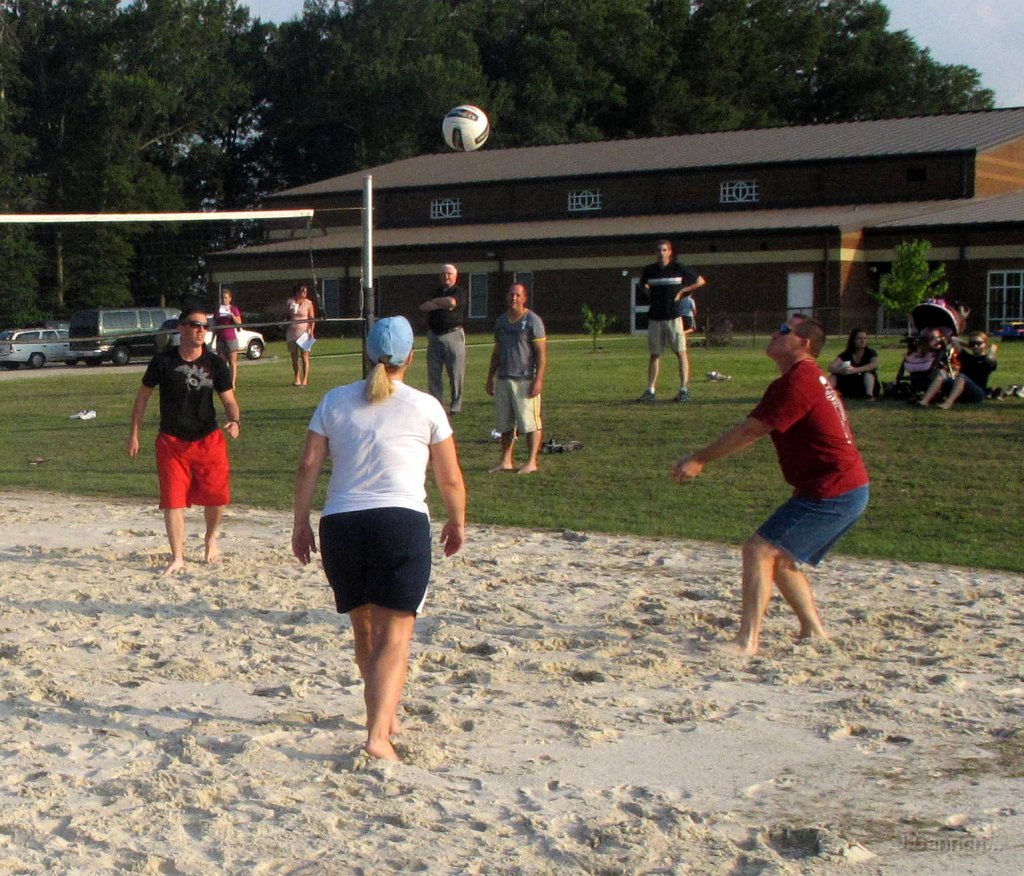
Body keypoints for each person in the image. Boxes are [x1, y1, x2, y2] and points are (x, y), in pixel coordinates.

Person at [292, 316, 466, 762]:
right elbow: (449, 477)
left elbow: (309, 465)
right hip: (399, 522)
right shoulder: (425, 406)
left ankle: (383, 716)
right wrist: (457, 520)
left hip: (342, 525)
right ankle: (376, 735)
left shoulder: (334, 400)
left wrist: (300, 522)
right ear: (411, 357)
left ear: (368, 354)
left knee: (365, 628)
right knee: (396, 634)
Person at [671, 315, 869, 656]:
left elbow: (750, 432)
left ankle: (747, 641)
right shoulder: (802, 378)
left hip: (834, 491)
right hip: (836, 488)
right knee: (779, 557)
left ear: (803, 343)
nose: (775, 334)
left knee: (759, 550)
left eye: (784, 331)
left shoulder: (800, 381)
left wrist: (699, 459)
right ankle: (813, 630)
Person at [127, 308, 241, 577]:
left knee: (217, 497)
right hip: (171, 442)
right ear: (181, 328)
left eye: (205, 326)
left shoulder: (216, 363)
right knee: (173, 500)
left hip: (208, 439)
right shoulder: (163, 361)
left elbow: (229, 400)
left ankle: (210, 538)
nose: (202, 330)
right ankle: (177, 556)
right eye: (195, 325)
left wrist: (235, 421)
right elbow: (142, 397)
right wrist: (134, 433)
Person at [485, 283, 547, 475]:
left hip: (525, 379)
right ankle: (506, 461)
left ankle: (531, 461)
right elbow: (497, 351)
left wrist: (538, 380)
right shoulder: (501, 321)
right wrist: (490, 377)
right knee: (505, 424)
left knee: (529, 423)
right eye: (511, 294)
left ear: (524, 298)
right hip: (504, 378)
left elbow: (541, 355)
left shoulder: (532, 321)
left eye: (518, 295)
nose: (514, 298)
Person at [637, 240, 705, 403]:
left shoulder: (678, 268)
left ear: (669, 252)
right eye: (659, 250)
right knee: (654, 354)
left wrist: (682, 291)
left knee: (680, 352)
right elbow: (642, 284)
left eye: (664, 250)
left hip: (673, 317)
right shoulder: (650, 270)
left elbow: (700, 281)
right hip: (655, 318)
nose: (661, 253)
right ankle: (650, 390)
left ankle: (683, 390)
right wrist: (650, 294)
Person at [418, 263, 466, 415]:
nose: (446, 276)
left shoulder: (459, 291)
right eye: (444, 274)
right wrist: (442, 303)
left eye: (449, 274)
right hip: (434, 336)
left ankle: (455, 406)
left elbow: (452, 303)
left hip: (453, 335)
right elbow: (424, 307)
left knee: (455, 373)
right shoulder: (435, 291)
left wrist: (436, 302)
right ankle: (436, 405)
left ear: (455, 276)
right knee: (433, 374)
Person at [934, 330, 998, 408]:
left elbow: (991, 359)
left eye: (978, 343)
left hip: (977, 394)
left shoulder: (986, 360)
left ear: (985, 344)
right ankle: (924, 401)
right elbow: (953, 339)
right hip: (962, 391)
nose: (975, 346)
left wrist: (992, 350)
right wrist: (971, 346)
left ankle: (948, 403)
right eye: (973, 344)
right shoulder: (967, 357)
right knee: (942, 373)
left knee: (962, 376)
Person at [827, 328, 879, 399]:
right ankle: (824, 392)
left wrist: (854, 370)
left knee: (868, 373)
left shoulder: (871, 353)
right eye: (859, 339)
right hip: (851, 384)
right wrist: (841, 371)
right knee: (834, 375)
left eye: (864, 338)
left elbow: (874, 364)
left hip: (866, 384)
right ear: (853, 340)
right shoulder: (846, 354)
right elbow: (830, 368)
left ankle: (869, 395)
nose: (862, 341)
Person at [285, 282, 316, 386]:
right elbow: (286, 315)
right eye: (302, 291)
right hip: (292, 332)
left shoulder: (308, 303)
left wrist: (311, 331)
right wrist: (290, 310)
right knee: (294, 357)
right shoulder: (290, 302)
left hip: (304, 333)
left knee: (304, 356)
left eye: (306, 291)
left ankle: (305, 379)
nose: (304, 293)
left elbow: (311, 318)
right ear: (297, 292)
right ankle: (297, 378)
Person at [213, 286, 243, 389]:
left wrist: (232, 316)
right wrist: (212, 339)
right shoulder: (218, 310)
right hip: (220, 339)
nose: (224, 300)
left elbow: (239, 323)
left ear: (230, 299)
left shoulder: (234, 309)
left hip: (231, 338)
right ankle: (223, 382)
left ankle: (232, 383)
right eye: (222, 298)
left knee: (232, 362)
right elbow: (215, 325)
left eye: (226, 298)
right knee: (221, 362)